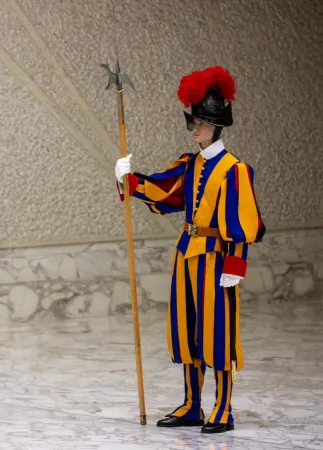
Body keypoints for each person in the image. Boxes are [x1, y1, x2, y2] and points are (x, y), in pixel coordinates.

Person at [114, 67, 265, 433]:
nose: (193, 128)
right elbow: (165, 193)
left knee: (218, 335)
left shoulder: (234, 170)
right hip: (186, 255)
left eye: (198, 122)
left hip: (216, 260)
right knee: (187, 330)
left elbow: (243, 223)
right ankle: (192, 404)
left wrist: (236, 265)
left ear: (215, 124)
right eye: (193, 121)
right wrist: (127, 180)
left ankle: (223, 408)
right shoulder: (190, 163)